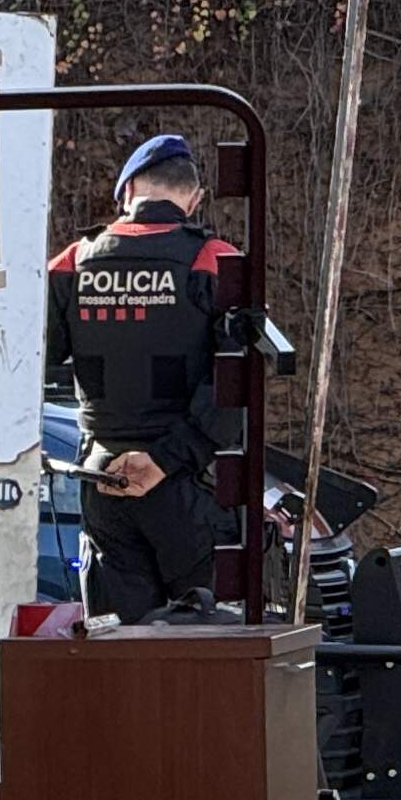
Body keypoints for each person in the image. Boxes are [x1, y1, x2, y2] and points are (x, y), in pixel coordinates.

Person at [45, 133, 238, 621]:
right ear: (193, 200)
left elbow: (34, 357)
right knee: (203, 639)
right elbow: (234, 386)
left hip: (103, 478)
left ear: (127, 191)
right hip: (183, 484)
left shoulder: (72, 262)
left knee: (118, 647)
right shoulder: (215, 261)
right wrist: (165, 460)